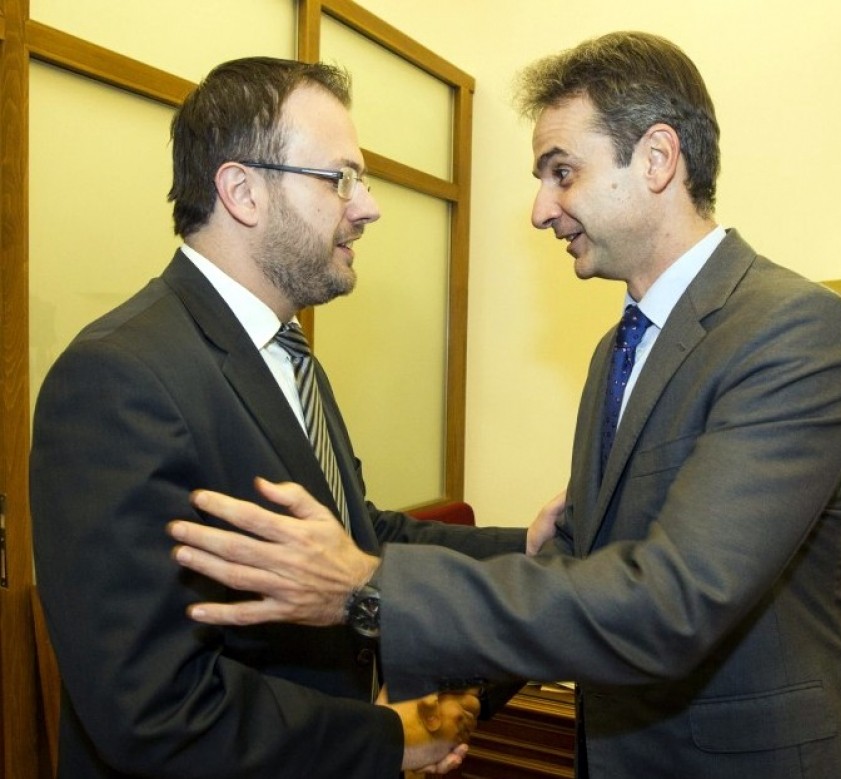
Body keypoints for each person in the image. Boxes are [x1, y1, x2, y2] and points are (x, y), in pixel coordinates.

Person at [166, 32, 841, 778]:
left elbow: (675, 602)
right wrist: (455, 707)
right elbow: (584, 573)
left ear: (657, 159)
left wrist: (365, 588)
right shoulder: (618, 350)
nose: (542, 210)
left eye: (562, 173)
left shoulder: (792, 330)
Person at [30, 56, 557, 779]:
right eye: (340, 178)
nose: (367, 206)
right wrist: (387, 737)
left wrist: (525, 545)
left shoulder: (285, 352)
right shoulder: (118, 376)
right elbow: (150, 709)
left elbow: (357, 534)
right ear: (242, 191)